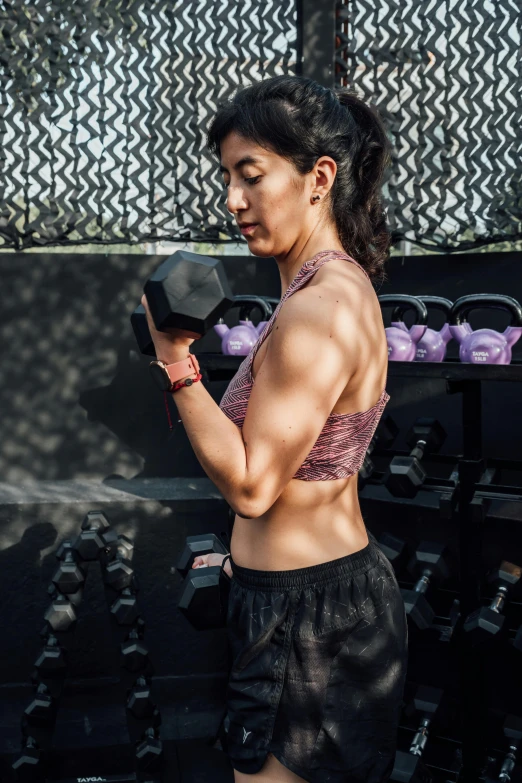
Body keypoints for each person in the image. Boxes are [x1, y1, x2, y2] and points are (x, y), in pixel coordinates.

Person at [141, 75, 408, 783]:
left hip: (309, 620)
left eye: (250, 176)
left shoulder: (317, 308)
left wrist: (175, 363)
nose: (233, 200)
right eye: (228, 177)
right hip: (305, 601)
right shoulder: (327, 290)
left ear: (319, 177)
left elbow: (255, 487)